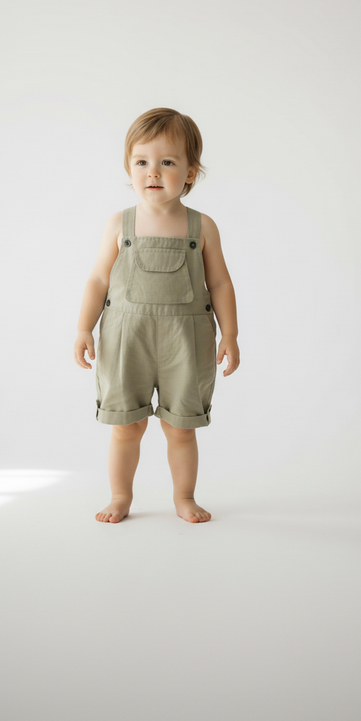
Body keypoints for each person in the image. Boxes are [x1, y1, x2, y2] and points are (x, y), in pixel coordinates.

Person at [74, 107, 240, 523]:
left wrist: (230, 335)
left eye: (167, 162)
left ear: (190, 172)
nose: (153, 172)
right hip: (126, 338)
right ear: (129, 167)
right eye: (142, 162)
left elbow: (219, 284)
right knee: (125, 426)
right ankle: (119, 496)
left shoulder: (202, 228)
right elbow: (97, 280)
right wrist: (83, 328)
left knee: (181, 428)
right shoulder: (119, 224)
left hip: (185, 342)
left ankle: (184, 497)